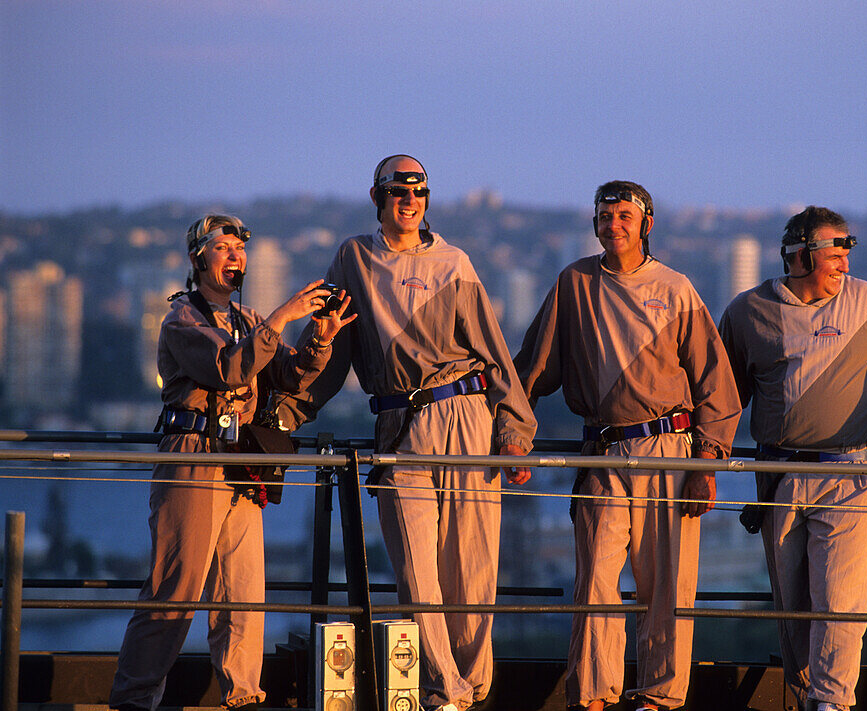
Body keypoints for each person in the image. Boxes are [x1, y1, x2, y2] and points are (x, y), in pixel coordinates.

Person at [277, 155, 537, 711]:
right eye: (397, 191)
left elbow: (492, 353)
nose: (408, 200)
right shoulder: (353, 257)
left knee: (471, 570)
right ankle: (447, 688)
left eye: (417, 191)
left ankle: (473, 688)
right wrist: (285, 415)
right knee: (416, 570)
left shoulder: (454, 262)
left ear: (427, 198)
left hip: (466, 415)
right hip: (399, 425)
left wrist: (514, 429)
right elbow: (332, 351)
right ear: (377, 198)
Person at [109, 214, 355, 711]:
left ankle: (242, 697)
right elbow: (229, 369)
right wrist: (283, 315)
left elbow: (289, 375)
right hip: (194, 460)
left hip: (240, 462)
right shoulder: (182, 318)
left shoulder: (246, 321)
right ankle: (134, 699)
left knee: (242, 592)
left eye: (240, 249)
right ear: (199, 258)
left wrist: (320, 337)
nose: (235, 256)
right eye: (223, 248)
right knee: (175, 587)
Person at [514, 181, 741, 711]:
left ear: (646, 223)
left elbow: (717, 387)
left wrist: (706, 463)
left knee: (665, 587)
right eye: (604, 216)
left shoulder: (678, 288)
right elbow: (531, 369)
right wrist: (512, 435)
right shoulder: (574, 283)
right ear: (594, 223)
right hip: (601, 452)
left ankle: (659, 697)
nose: (613, 225)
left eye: (623, 215)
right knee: (594, 581)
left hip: (669, 450)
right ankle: (593, 695)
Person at [718, 206, 867, 711]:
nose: (845, 264)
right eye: (834, 253)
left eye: (848, 252)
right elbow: (719, 398)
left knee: (842, 601)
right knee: (794, 607)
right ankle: (808, 700)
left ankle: (833, 703)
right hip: (777, 474)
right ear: (800, 256)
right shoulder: (746, 311)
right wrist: (705, 459)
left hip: (853, 473)